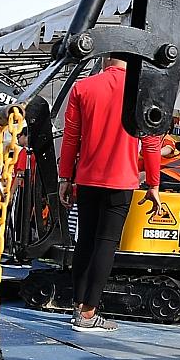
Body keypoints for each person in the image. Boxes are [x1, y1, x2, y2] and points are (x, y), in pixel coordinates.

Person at [58, 58, 163, 331]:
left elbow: (71, 137)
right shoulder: (142, 90)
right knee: (106, 243)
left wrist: (65, 177)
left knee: (85, 241)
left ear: (106, 59)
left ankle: (78, 306)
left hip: (87, 178)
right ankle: (89, 314)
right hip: (121, 180)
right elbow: (151, 142)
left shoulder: (83, 87)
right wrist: (153, 184)